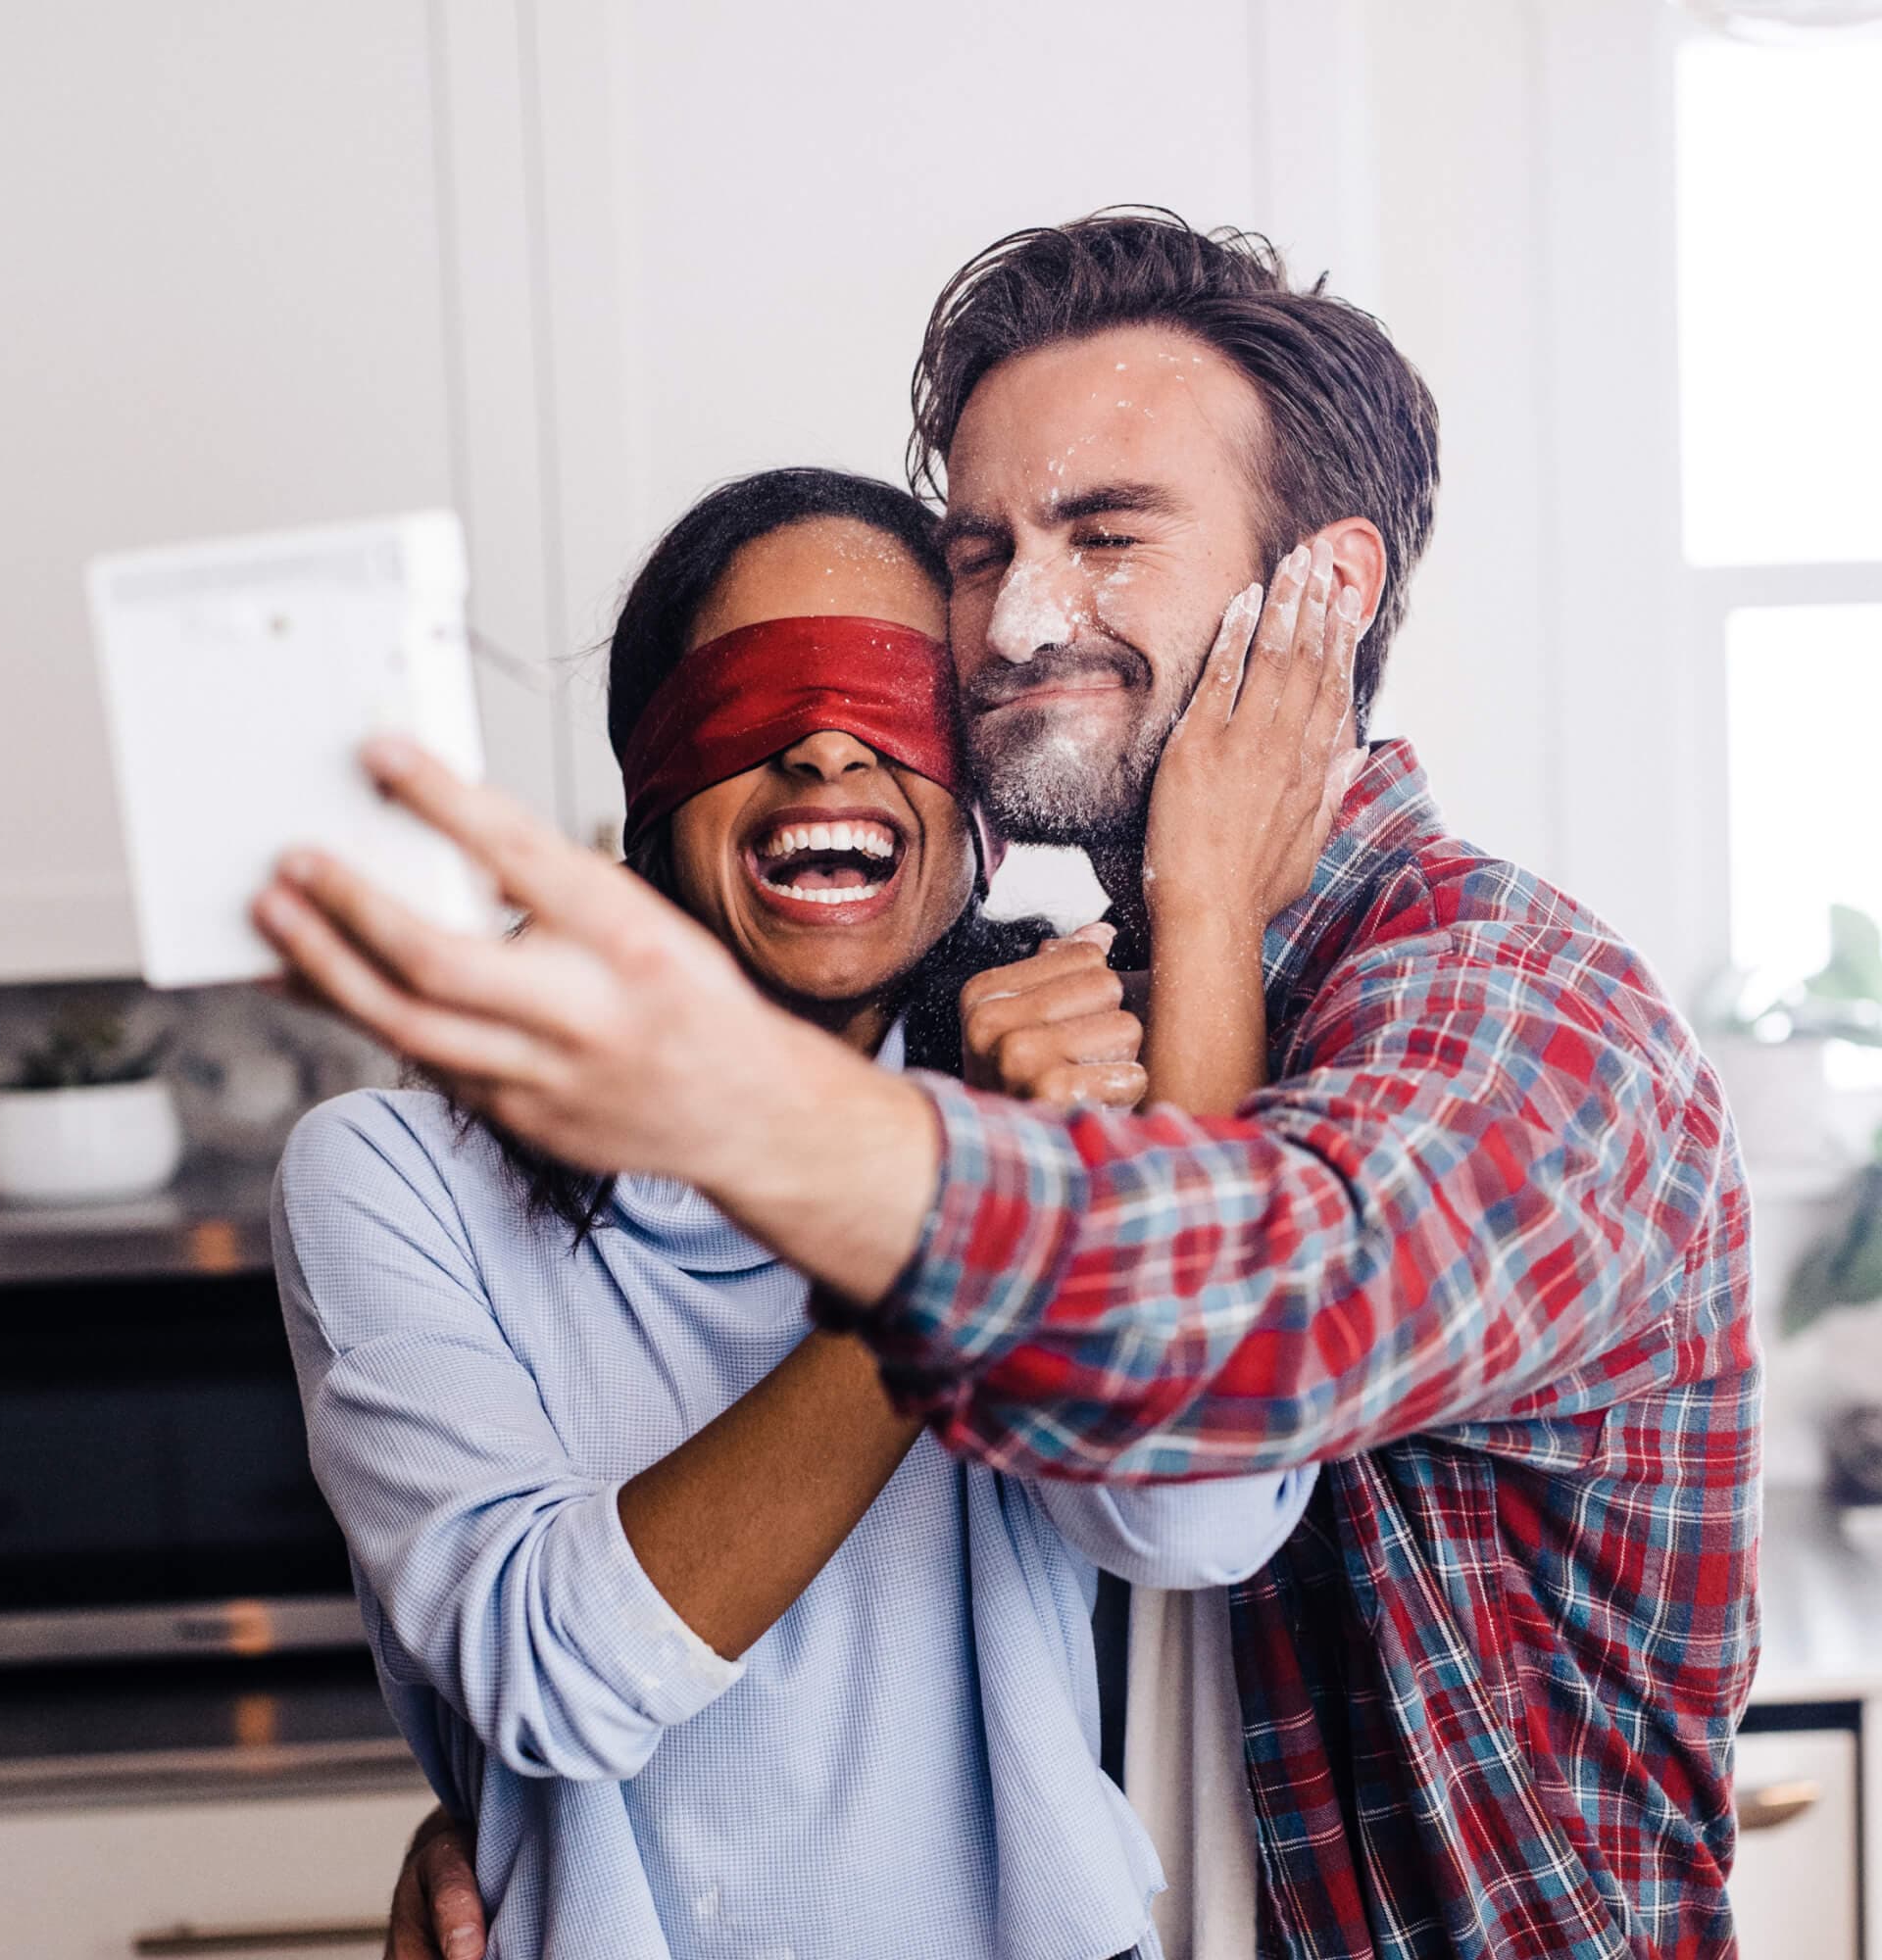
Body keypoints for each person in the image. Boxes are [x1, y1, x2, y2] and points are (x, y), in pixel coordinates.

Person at [258, 212, 1758, 1959]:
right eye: (981, 552)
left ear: (1329, 588)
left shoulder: (1512, 1022)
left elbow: (1202, 1417)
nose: (1022, 618)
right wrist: (534, 1829)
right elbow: (582, 1678)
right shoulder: (1084, 1022)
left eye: (1108, 533)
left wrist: (879, 1112)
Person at [267, 466, 1334, 1960]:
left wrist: (1040, 1159)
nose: (829, 741)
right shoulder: (393, 1176)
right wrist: (959, 1220)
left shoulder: (1073, 1104)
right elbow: (550, 1675)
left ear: (972, 794)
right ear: (655, 775)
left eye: (895, 694)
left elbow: (1199, 1520)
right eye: (753, 698)